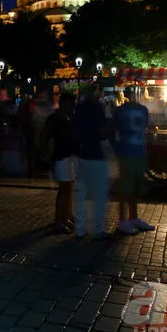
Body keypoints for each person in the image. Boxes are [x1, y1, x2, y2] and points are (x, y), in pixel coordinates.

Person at [114, 87, 156, 235]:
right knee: (126, 187)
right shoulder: (120, 111)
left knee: (137, 186)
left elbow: (150, 128)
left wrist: (147, 146)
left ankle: (133, 217)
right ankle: (122, 220)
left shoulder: (142, 110)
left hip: (138, 152)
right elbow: (113, 130)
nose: (133, 95)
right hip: (127, 153)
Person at [75, 84, 111, 238]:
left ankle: (80, 229)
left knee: (81, 195)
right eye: (99, 90)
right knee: (99, 195)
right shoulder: (96, 108)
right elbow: (102, 132)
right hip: (96, 155)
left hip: (82, 155)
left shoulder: (80, 108)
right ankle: (97, 229)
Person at [41, 92, 79, 234]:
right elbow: (44, 136)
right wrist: (46, 154)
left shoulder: (69, 117)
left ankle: (65, 217)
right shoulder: (55, 118)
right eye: (72, 104)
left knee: (68, 189)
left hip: (69, 156)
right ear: (66, 104)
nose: (73, 107)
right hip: (61, 156)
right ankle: (58, 222)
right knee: (64, 190)